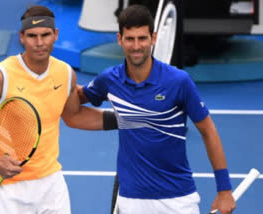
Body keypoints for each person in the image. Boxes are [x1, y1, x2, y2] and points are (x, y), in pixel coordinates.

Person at [0, 5, 116, 214]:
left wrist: (126, 120)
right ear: (21, 37)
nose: (39, 43)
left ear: (56, 35)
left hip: (51, 184)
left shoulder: (65, 73)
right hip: (8, 187)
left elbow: (74, 116)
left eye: (45, 35)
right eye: (32, 35)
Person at [78, 4, 236, 214]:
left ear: (153, 38)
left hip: (178, 199)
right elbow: (77, 98)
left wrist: (224, 189)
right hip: (132, 199)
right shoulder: (109, 79)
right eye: (130, 39)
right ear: (119, 39)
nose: (136, 46)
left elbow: (208, 131)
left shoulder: (179, 81)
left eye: (142, 38)